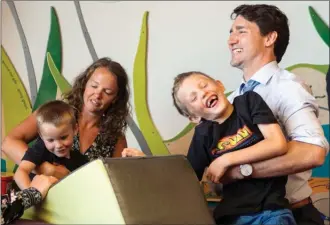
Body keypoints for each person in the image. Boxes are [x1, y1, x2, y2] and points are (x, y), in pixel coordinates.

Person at [222, 4, 329, 225]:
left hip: (290, 215)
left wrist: (242, 170)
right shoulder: (232, 100)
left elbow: (313, 152)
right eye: (231, 32)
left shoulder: (288, 87)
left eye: (241, 31)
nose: (231, 40)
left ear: (269, 38)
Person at [172, 71, 296, 224]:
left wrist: (225, 160)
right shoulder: (203, 134)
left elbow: (277, 143)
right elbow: (185, 179)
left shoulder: (248, 102)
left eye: (204, 85)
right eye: (194, 98)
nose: (203, 93)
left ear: (220, 85)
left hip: (271, 210)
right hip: (231, 216)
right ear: (194, 117)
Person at [2, 57, 131, 178]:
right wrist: (46, 169)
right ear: (85, 84)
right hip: (38, 195)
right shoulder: (54, 112)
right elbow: (8, 143)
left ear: (116, 98)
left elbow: (116, 182)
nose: (97, 95)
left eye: (107, 92)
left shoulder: (115, 137)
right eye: (94, 86)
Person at [14, 100, 88, 190]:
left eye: (63, 137)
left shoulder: (80, 160)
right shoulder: (40, 148)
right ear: (41, 136)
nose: (58, 145)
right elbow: (21, 172)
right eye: (50, 140)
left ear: (75, 129)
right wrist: (32, 196)